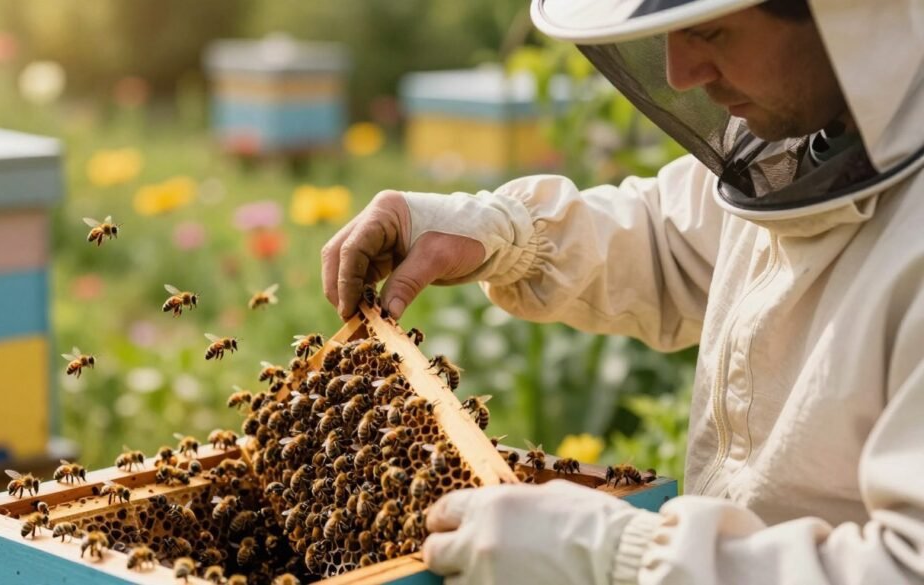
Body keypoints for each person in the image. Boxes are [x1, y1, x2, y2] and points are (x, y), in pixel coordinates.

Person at [322, 0, 924, 583]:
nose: (677, 74)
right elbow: (679, 238)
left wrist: (621, 560)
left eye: (710, 32)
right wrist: (498, 232)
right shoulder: (824, 133)